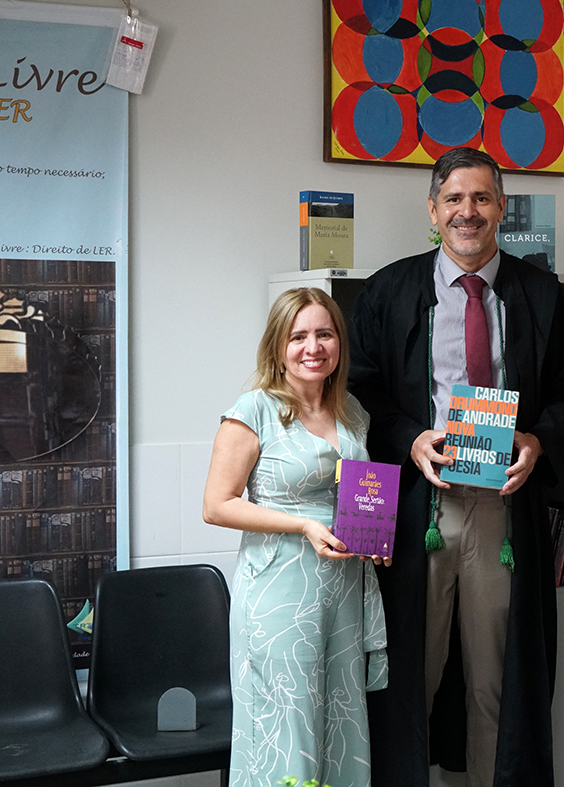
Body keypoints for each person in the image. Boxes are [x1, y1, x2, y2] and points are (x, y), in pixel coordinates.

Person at [348, 148, 564, 787]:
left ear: (501, 209)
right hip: (414, 512)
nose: (468, 212)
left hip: (501, 513)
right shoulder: (388, 290)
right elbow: (359, 392)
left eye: (482, 198)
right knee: (408, 677)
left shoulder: (540, 293)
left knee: (498, 682)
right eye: (454, 199)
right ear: (433, 210)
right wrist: (409, 439)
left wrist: (539, 441)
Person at [203, 288, 389, 787]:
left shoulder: (352, 410)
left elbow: (356, 496)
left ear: (338, 343)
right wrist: (303, 524)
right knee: (287, 727)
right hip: (280, 593)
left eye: (324, 334)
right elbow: (217, 505)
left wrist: (374, 537)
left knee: (340, 723)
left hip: (343, 589)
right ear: (278, 346)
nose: (313, 347)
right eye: (299, 336)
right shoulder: (254, 409)